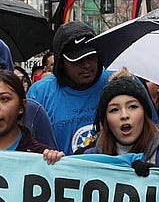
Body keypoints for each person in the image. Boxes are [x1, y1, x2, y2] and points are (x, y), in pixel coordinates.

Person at [27, 21, 112, 153]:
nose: (87, 65)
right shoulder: (39, 94)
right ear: (61, 62)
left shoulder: (116, 82)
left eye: (91, 56)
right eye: (77, 60)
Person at [83, 71, 159, 168]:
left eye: (132, 107)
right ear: (105, 120)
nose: (124, 115)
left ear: (145, 113)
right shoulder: (87, 163)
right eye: (114, 109)